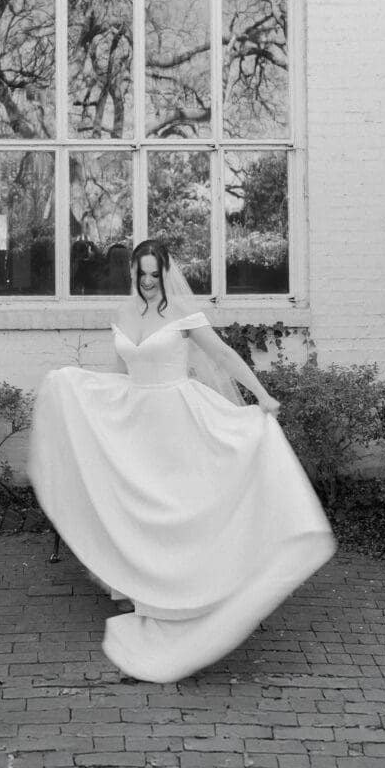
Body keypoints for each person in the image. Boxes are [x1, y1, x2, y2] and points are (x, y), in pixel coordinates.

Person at [29, 239, 336, 683]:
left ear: (165, 273)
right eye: (141, 274)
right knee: (143, 506)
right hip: (136, 420)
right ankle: (148, 592)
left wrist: (262, 394)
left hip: (177, 420)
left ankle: (194, 593)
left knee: (178, 505)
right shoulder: (124, 315)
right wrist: (83, 394)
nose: (147, 282)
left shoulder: (181, 314)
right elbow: (122, 372)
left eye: (154, 274)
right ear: (132, 273)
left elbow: (222, 354)